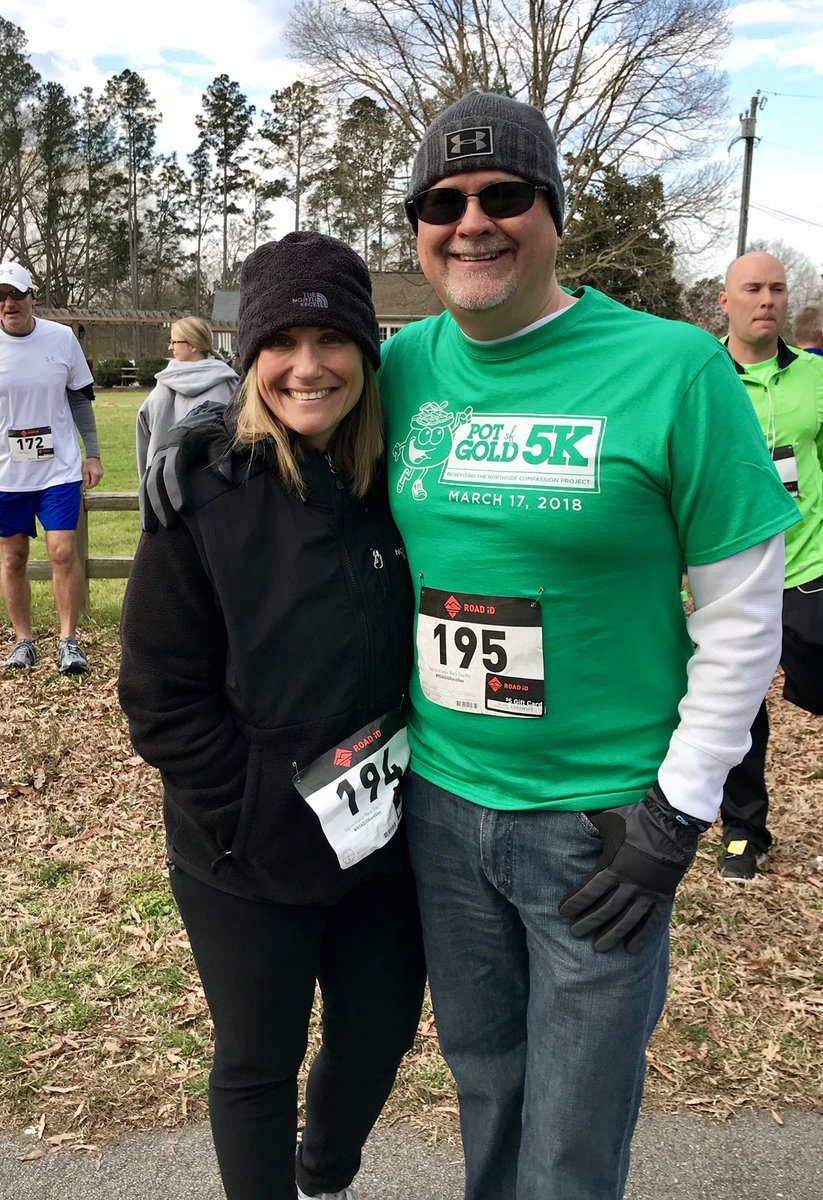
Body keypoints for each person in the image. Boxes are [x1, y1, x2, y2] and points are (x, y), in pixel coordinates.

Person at [377, 92, 800, 1200]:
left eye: (503, 196)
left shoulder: (673, 368)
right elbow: (289, 441)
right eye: (442, 202)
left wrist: (681, 808)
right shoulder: (402, 367)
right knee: (487, 1088)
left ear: (553, 213)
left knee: (571, 1135)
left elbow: (744, 611)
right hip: (442, 806)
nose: (472, 222)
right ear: (418, 227)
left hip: (601, 827)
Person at [119, 232, 425, 1200]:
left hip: (382, 847)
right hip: (245, 858)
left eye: (329, 338)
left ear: (365, 353)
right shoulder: (204, 494)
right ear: (248, 357)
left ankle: (322, 1174)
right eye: (280, 340)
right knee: (257, 1061)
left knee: (376, 1044)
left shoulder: (401, 484)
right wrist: (251, 809)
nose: (307, 364)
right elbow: (159, 699)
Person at [716, 253, 823, 880]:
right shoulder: (702, 375)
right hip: (732, 577)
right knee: (740, 710)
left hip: (810, 567)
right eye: (752, 289)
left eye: (777, 289)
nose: (767, 300)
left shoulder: (815, 376)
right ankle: (743, 831)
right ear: (724, 301)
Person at [0, 261, 103, 674]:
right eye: (1, 297)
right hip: (7, 473)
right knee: (13, 557)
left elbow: (80, 398)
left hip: (57, 466)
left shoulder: (60, 339)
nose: (9, 304)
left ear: (32, 297)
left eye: (16, 295)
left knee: (62, 552)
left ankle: (68, 639)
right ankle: (23, 640)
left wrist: (92, 453)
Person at [135, 316, 236, 479]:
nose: (169, 347)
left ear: (193, 345)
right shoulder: (230, 385)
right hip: (218, 489)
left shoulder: (160, 389)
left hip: (164, 488)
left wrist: (146, 487)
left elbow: (144, 440)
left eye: (175, 342)